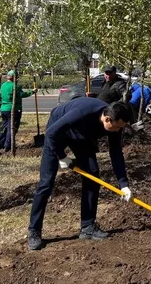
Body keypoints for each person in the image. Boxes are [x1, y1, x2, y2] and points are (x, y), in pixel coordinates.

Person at [27, 100, 134, 251]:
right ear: (107, 119)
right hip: (57, 132)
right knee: (46, 182)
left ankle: (88, 226)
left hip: (82, 137)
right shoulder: (82, 112)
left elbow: (116, 153)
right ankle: (34, 231)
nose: (117, 131)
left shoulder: (116, 123)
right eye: (116, 127)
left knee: (93, 175)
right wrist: (61, 156)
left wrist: (124, 184)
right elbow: (51, 133)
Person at [0, 70, 36, 152]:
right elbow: (22, 95)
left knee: (3, 126)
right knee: (12, 127)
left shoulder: (3, 85)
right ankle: (8, 145)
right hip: (14, 109)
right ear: (15, 78)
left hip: (3, 109)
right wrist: (32, 91)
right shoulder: (15, 86)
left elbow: (0, 96)